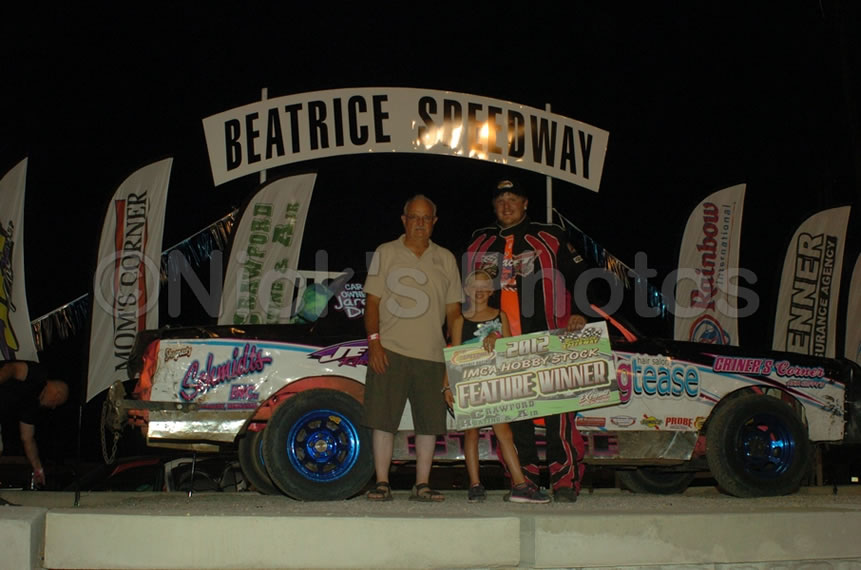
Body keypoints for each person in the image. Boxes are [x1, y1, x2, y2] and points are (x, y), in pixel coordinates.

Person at [464, 178, 589, 502]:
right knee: (515, 417)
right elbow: (465, 293)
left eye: (513, 199)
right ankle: (524, 480)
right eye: (500, 200)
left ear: (525, 203)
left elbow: (580, 277)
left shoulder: (550, 236)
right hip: (499, 343)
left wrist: (579, 313)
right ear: (494, 206)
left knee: (558, 414)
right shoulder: (479, 241)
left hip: (548, 338)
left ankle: (565, 481)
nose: (506, 205)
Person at [362, 195, 462, 502]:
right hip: (390, 350)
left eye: (426, 218)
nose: (420, 223)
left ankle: (422, 484)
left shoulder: (446, 258)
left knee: (429, 423)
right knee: (382, 420)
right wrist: (374, 342)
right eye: (414, 217)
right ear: (404, 220)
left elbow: (454, 312)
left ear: (434, 222)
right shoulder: (385, 252)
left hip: (432, 355)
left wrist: (453, 356)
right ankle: (382, 482)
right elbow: (372, 302)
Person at [443, 269, 550, 503]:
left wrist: (497, 338)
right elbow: (453, 354)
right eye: (475, 287)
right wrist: (447, 386)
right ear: (467, 290)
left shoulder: (500, 316)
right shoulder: (460, 320)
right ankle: (475, 484)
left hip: (495, 382)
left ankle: (520, 485)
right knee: (471, 433)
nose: (480, 291)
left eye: (485, 287)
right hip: (469, 381)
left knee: (505, 433)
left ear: (492, 291)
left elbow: (510, 348)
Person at [0, 361, 69, 487]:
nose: (52, 407)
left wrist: (38, 468)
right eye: (56, 404)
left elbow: (27, 438)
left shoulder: (32, 407)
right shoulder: (38, 375)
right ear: (57, 395)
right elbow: (12, 368)